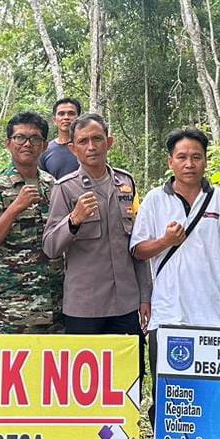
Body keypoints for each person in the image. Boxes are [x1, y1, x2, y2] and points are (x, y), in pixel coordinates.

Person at [43, 113, 151, 336]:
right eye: (83, 141)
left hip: (126, 303)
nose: (91, 146)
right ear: (73, 149)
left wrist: (145, 296)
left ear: (109, 142)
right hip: (85, 307)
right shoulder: (65, 188)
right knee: (85, 372)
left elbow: (137, 245)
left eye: (97, 139)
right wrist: (74, 219)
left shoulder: (126, 183)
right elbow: (50, 246)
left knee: (131, 370)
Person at [131, 128, 220, 332]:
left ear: (206, 161)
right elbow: (138, 251)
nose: (189, 164)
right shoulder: (155, 200)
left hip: (212, 314)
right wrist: (165, 241)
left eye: (196, 157)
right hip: (168, 311)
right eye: (181, 157)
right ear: (170, 162)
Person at [0, 111, 65, 333]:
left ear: (44, 145)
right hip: (15, 306)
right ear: (8, 143)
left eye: (35, 138)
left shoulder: (53, 185)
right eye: (20, 138)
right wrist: (15, 207)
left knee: (54, 366)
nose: (27, 144)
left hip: (56, 302)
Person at [40, 97, 82, 179]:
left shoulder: (89, 146)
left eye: (71, 113)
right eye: (61, 114)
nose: (66, 117)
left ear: (78, 118)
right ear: (54, 120)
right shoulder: (45, 150)